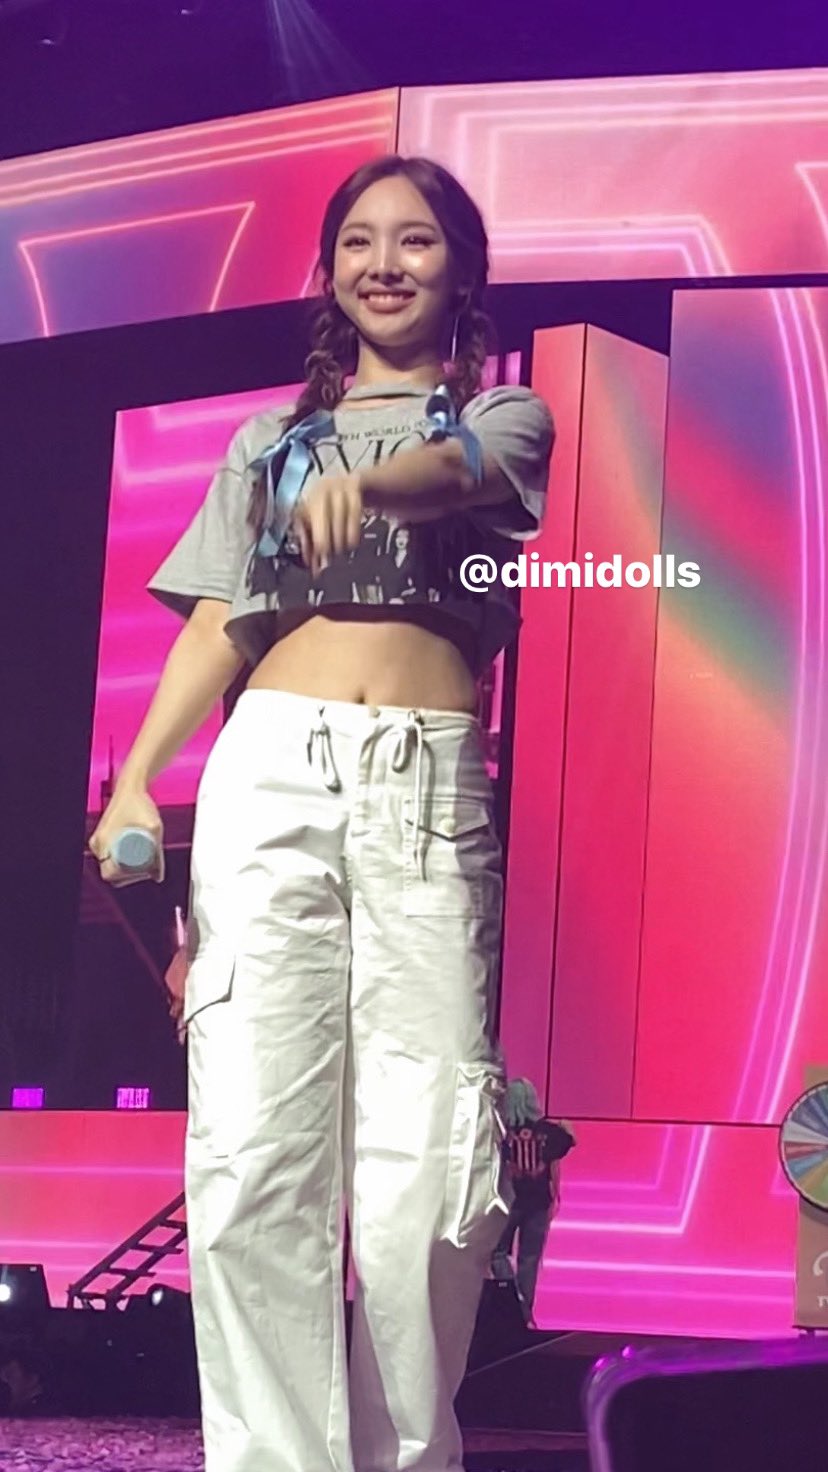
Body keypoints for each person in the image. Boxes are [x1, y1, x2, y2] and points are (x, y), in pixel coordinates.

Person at [89, 153, 554, 1472]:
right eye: (358, 240)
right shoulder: (264, 444)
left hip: (426, 786)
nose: (384, 263)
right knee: (251, 1155)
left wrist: (374, 486)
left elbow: (462, 472)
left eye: (415, 240)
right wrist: (137, 780)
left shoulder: (506, 416)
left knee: (432, 1168)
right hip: (271, 772)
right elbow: (217, 627)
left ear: (460, 270)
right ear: (331, 270)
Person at [491, 1079, 575, 1325]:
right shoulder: (548, 1131)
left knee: (497, 1253)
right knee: (529, 1258)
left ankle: (512, 1299)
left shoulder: (501, 1132)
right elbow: (568, 1141)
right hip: (538, 1202)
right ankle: (524, 1313)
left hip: (509, 1201)